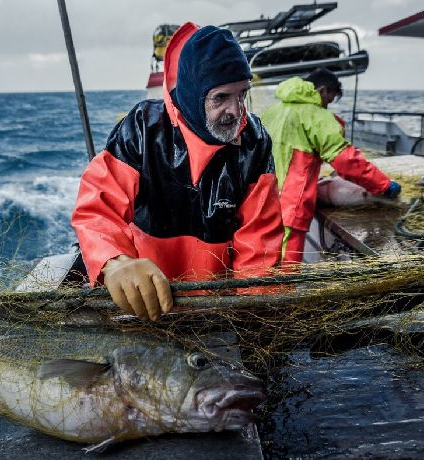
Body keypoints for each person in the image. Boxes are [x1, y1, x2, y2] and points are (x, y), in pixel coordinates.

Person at [71, 22, 283, 321]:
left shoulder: (255, 141)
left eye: (242, 95)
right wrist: (115, 262)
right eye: (221, 97)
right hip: (142, 298)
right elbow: (97, 209)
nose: (236, 110)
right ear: (194, 95)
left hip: (214, 305)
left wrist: (252, 314)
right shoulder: (142, 128)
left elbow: (259, 246)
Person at [260, 68, 401, 263]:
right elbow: (347, 161)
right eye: (329, 100)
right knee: (285, 267)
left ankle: (262, 293)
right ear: (323, 90)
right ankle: (282, 294)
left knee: (262, 260)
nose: (326, 106)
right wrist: (384, 185)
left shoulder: (272, 112)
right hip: (290, 204)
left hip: (262, 200)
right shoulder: (317, 116)